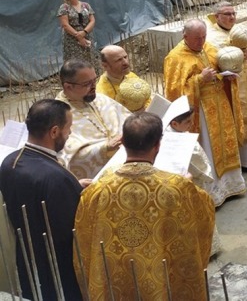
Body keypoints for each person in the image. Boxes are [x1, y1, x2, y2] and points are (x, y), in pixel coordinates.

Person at [74, 113, 214, 300]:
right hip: (161, 278)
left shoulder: (97, 190)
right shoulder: (177, 187)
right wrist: (187, 186)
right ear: (157, 145)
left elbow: (83, 242)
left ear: (123, 142)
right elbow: (204, 217)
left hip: (117, 280)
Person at [0, 100, 84, 301]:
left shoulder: (10, 161)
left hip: (24, 258)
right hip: (57, 267)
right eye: (68, 128)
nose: (70, 133)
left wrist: (73, 186)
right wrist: (77, 192)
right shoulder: (57, 179)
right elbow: (72, 228)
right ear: (54, 131)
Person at [163, 19, 246, 204]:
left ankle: (231, 185)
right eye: (197, 38)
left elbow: (220, 68)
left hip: (220, 104)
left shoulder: (209, 48)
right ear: (185, 36)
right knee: (209, 147)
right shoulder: (175, 57)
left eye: (203, 36)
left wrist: (227, 75)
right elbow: (175, 92)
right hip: (201, 112)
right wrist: (200, 79)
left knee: (225, 143)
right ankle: (213, 193)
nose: (201, 41)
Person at [204, 2, 247, 171]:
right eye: (227, 14)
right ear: (216, 17)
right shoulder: (211, 37)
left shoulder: (242, 31)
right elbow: (211, 61)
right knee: (234, 119)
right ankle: (240, 160)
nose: (231, 17)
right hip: (228, 85)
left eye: (233, 14)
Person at [57, 59, 129, 178]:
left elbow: (128, 119)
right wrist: (105, 148)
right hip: (97, 179)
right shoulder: (58, 114)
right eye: (87, 84)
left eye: (94, 80)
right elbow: (68, 157)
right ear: (68, 87)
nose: (93, 87)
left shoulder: (100, 98)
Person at [96, 45, 152, 112]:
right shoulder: (102, 94)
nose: (125, 62)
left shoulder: (131, 75)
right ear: (105, 66)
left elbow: (147, 99)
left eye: (125, 57)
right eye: (118, 60)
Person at [57, 0, 98, 69]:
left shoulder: (86, 5)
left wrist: (84, 32)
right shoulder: (64, 7)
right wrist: (78, 36)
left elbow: (92, 20)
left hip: (87, 36)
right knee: (75, 63)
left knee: (90, 58)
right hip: (72, 39)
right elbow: (65, 25)